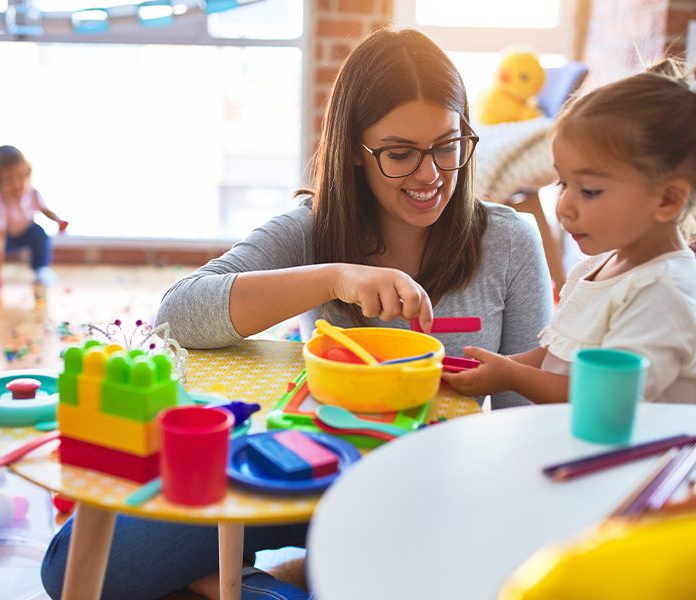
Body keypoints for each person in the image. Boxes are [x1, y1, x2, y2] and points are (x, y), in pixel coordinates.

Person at [41, 27, 551, 599]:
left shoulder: (509, 241)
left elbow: (524, 422)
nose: (430, 175)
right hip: (306, 472)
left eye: (447, 146)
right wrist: (335, 276)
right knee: (73, 564)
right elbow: (177, 315)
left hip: (435, 492)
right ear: (355, 153)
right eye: (400, 154)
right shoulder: (312, 230)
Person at [444, 42, 696, 405]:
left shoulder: (663, 293)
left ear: (667, 199)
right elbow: (561, 355)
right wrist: (500, 365)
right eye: (563, 184)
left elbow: (600, 398)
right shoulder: (602, 266)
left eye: (589, 190)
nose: (564, 207)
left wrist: (511, 376)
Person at [0, 145, 68, 293]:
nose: (17, 184)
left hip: (24, 232)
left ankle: (41, 268)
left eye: (21, 176)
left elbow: (45, 210)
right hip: (2, 235)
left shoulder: (33, 193)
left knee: (40, 235)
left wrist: (58, 220)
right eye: (9, 180)